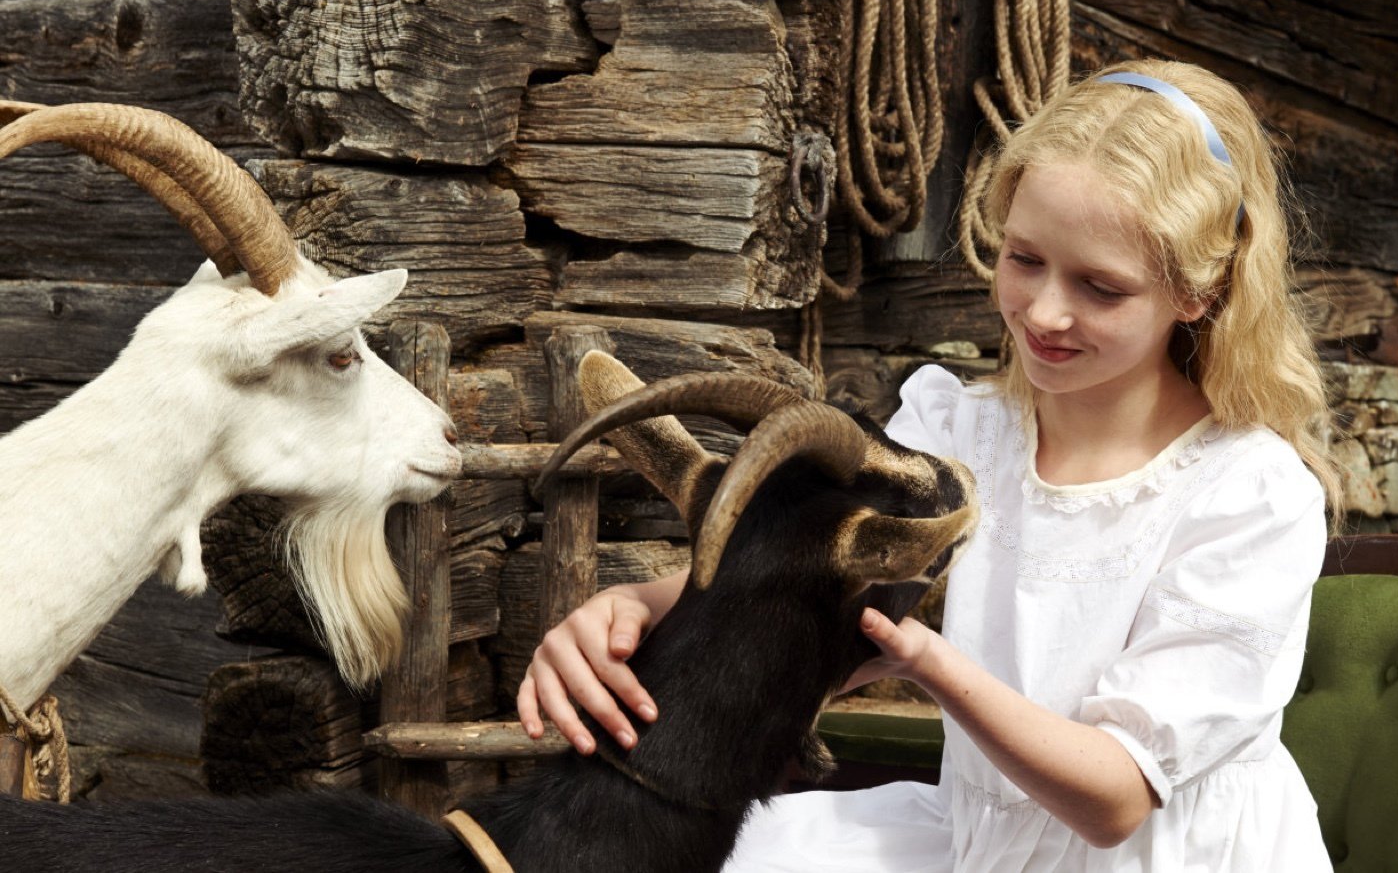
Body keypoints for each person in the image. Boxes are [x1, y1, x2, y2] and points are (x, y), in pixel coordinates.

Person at [517, 57, 1345, 872]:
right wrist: (631, 610)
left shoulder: (1251, 493)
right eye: (1024, 260)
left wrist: (922, 658)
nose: (1046, 311)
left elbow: (1114, 798)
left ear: (1199, 292)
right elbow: (804, 590)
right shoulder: (960, 431)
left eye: (1101, 286)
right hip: (978, 840)